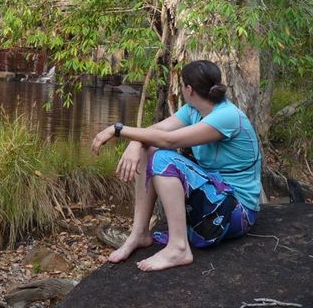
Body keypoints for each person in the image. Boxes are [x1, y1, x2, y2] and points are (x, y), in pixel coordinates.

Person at [91, 60, 261, 272]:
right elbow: (156, 130)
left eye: (182, 85)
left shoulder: (226, 116)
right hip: (215, 199)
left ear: (188, 89)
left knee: (162, 157)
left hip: (236, 211)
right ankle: (139, 234)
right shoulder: (193, 110)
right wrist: (136, 142)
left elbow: (167, 141)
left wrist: (118, 129)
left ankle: (178, 248)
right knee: (149, 149)